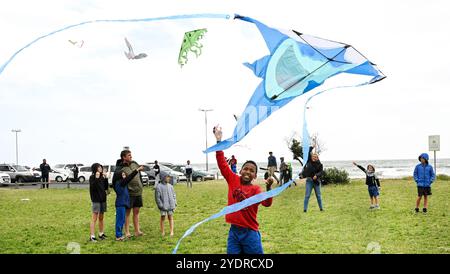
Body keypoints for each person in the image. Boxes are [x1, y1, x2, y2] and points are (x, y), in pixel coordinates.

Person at [214, 125, 273, 254]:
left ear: (255, 176)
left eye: (252, 171)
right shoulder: (233, 179)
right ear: (240, 170)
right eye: (245, 169)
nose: (248, 172)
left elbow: (267, 203)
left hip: (250, 233)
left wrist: (268, 188)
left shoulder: (256, 190)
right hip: (234, 233)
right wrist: (219, 141)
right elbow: (222, 164)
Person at [113, 150, 144, 238]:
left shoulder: (135, 164)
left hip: (138, 192)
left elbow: (139, 176)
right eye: (129, 155)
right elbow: (116, 182)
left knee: (136, 212)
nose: (131, 156)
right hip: (129, 193)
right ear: (124, 157)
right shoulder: (120, 168)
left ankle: (137, 231)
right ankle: (127, 232)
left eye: (131, 155)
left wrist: (141, 185)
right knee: (127, 213)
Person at [89, 163, 109, 242]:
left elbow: (106, 187)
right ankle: (92, 236)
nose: (100, 168)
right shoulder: (92, 177)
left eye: (101, 167)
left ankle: (101, 234)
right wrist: (96, 178)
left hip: (103, 199)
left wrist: (106, 177)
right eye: (99, 167)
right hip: (96, 200)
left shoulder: (102, 177)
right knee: (94, 218)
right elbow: (93, 187)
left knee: (101, 218)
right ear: (95, 169)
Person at [155, 171, 177, 236]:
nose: (169, 178)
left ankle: (171, 231)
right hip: (163, 207)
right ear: (163, 178)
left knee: (170, 217)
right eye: (167, 177)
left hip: (171, 206)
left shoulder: (170, 186)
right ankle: (162, 231)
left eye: (169, 177)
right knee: (163, 218)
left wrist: (175, 203)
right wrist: (161, 206)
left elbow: (174, 195)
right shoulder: (158, 187)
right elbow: (157, 198)